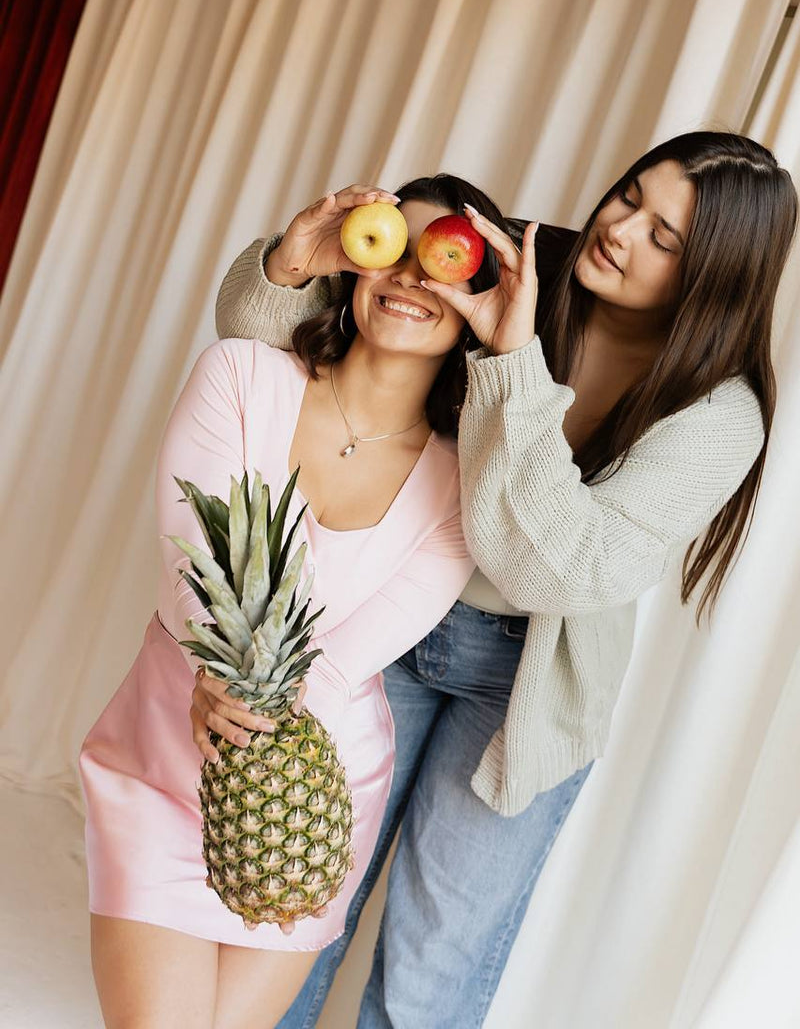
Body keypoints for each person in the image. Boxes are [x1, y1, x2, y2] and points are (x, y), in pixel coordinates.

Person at [197, 132, 798, 1028]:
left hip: (528, 686)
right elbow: (259, 349)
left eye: (665, 238)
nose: (621, 230)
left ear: (716, 275)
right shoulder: (513, 263)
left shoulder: (719, 414)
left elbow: (559, 570)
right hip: (388, 620)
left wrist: (512, 361)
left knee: (431, 968)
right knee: (301, 913)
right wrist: (291, 264)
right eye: (631, 197)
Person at [78, 174, 508, 1028]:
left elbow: (350, 656)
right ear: (356, 264)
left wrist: (263, 719)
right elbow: (192, 557)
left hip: (315, 783)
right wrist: (219, 676)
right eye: (396, 248)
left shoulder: (467, 483)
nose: (411, 277)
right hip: (164, 748)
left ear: (477, 306)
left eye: (443, 263)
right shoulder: (240, 375)